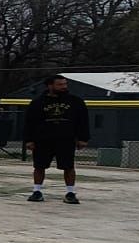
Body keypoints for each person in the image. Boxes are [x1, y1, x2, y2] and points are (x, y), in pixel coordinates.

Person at [24, 74, 90, 204]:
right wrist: (29, 140)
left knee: (68, 166)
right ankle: (37, 191)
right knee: (39, 166)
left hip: (66, 139)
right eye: (60, 84)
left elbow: (83, 121)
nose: (64, 87)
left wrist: (83, 138)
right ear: (50, 86)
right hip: (43, 139)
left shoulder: (75, 101)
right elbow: (29, 122)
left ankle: (70, 193)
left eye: (65, 84)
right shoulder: (38, 102)